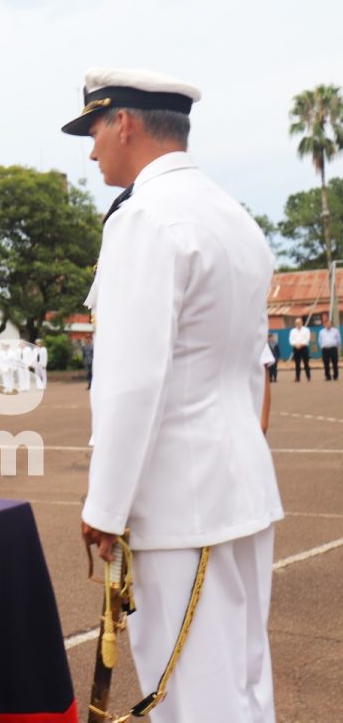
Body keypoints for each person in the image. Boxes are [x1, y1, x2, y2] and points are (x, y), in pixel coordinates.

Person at [64, 68, 282, 722]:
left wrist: (106, 506)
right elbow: (254, 368)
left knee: (195, 699)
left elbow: (132, 381)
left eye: (94, 131)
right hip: (237, 487)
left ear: (124, 123)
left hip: (180, 503)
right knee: (244, 686)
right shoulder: (234, 217)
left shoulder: (145, 219)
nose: (92, 151)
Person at [289, 317, 311, 381]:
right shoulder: (292, 331)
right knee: (297, 363)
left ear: (302, 323)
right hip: (296, 348)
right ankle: (297, 377)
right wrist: (295, 344)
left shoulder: (306, 330)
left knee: (306, 363)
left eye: (299, 322)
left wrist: (301, 344)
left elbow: (307, 339)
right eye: (296, 323)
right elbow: (291, 340)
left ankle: (308, 377)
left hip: (304, 347)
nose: (298, 324)